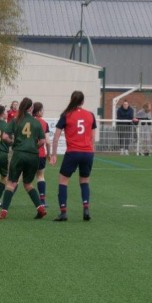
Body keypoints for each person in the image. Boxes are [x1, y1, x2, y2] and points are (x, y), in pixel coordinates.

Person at [50, 90, 96, 222]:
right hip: (87, 152)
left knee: (63, 181)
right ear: (83, 101)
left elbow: (56, 137)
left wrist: (53, 154)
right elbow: (93, 137)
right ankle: (86, 208)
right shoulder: (91, 115)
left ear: (72, 100)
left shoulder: (66, 115)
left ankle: (63, 212)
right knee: (84, 181)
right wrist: (90, 151)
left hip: (73, 152)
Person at [0, 97, 47, 220]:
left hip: (19, 154)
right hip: (33, 155)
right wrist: (33, 146)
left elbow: (4, 137)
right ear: (31, 108)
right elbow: (42, 141)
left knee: (11, 183)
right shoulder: (36, 122)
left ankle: (4, 211)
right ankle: (40, 208)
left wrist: (13, 143)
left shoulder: (16, 120)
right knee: (28, 184)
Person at [32, 102, 51, 206]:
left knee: (18, 177)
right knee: (40, 176)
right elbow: (47, 141)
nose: (43, 112)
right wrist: (48, 153)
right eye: (42, 110)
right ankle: (42, 201)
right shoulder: (44, 123)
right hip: (40, 154)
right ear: (38, 111)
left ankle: (7, 201)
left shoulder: (26, 121)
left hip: (27, 154)